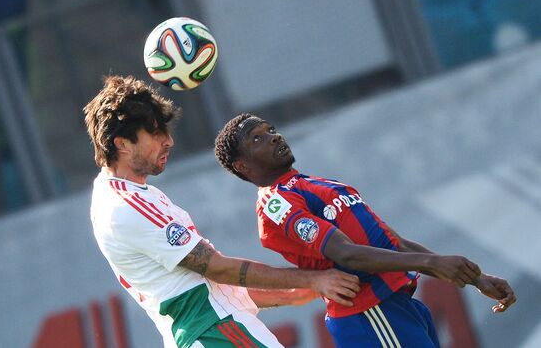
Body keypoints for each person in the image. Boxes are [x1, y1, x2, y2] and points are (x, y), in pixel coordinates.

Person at [83, 76, 360, 348]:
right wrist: (314, 279)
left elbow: (201, 286)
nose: (168, 141)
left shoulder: (127, 196)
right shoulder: (126, 205)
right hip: (214, 333)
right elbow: (215, 268)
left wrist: (294, 291)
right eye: (155, 132)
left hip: (215, 329)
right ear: (122, 143)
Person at [214, 113, 517, 348]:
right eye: (257, 138)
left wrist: (476, 278)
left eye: (270, 129)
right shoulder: (276, 204)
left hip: (397, 306)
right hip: (369, 313)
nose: (273, 137)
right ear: (242, 166)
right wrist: (433, 263)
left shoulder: (316, 185)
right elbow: (346, 255)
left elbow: (393, 241)